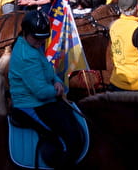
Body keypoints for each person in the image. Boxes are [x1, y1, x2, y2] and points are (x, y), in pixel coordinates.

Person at [9, 10, 86, 168]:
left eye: (43, 39)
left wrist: (57, 80)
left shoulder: (31, 44)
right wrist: (59, 89)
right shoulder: (27, 55)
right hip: (31, 105)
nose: (40, 43)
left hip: (43, 98)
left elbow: (47, 68)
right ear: (27, 32)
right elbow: (41, 92)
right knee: (73, 138)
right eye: (37, 39)